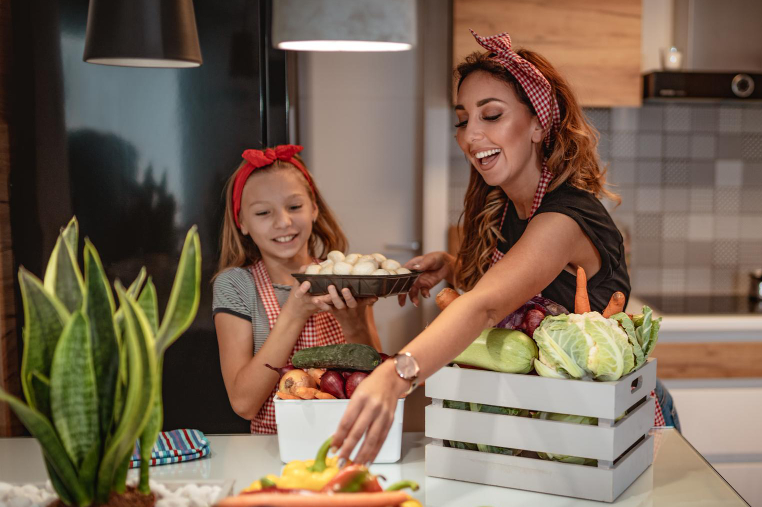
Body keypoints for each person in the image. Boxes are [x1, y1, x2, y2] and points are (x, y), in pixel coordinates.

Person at [330, 31, 667, 465]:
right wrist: (452, 268)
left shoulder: (563, 219)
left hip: (607, 428)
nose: (471, 136)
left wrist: (396, 375)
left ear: (539, 125)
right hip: (554, 428)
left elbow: (487, 307)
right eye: (463, 119)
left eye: (491, 115)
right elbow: (519, 284)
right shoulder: (508, 208)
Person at [212, 145, 381, 433]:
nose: (284, 222)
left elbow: (377, 385)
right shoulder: (235, 286)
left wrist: (355, 325)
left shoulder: (343, 276)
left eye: (294, 206)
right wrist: (294, 312)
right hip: (271, 448)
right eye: (263, 212)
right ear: (242, 222)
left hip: (348, 440)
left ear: (314, 208)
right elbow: (244, 403)